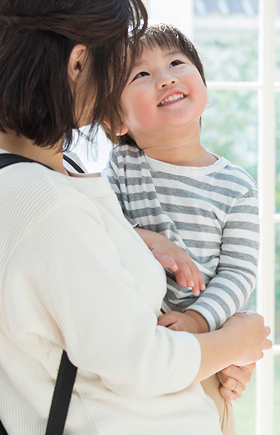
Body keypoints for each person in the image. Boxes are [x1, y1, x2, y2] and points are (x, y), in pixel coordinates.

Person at [0, 0, 271, 435]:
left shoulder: (31, 172)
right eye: (123, 64)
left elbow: (109, 329)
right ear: (79, 63)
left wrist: (210, 351)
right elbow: (142, 362)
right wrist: (240, 340)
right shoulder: (37, 200)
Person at [103, 23, 259, 434]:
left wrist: (200, 322)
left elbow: (239, 272)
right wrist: (147, 238)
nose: (166, 77)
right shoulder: (121, 169)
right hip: (141, 344)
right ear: (115, 119)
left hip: (203, 351)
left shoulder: (236, 186)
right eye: (141, 74)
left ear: (204, 91)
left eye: (176, 63)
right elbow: (98, 234)